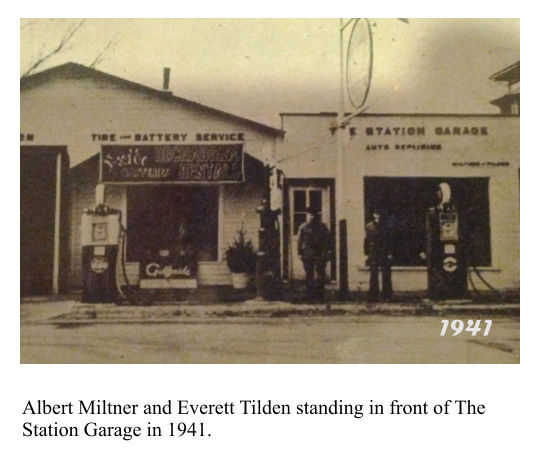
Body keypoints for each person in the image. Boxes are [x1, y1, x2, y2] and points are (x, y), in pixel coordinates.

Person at [297, 207, 331, 300]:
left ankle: (320, 295)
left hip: (320, 253)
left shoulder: (323, 227)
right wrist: (299, 252)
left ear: (317, 216)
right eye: (309, 215)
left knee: (320, 274)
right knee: (309, 274)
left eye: (313, 215)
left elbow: (328, 240)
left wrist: (328, 252)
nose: (311, 217)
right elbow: (299, 241)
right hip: (308, 253)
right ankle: (310, 295)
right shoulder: (303, 227)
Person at [364, 209, 393, 301]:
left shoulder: (386, 226)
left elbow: (389, 241)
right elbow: (367, 240)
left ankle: (387, 294)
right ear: (374, 215)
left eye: (380, 215)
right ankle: (373, 294)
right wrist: (367, 252)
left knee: (386, 274)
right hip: (374, 252)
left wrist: (390, 253)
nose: (378, 217)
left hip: (384, 251)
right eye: (376, 214)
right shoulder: (369, 226)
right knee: (373, 274)